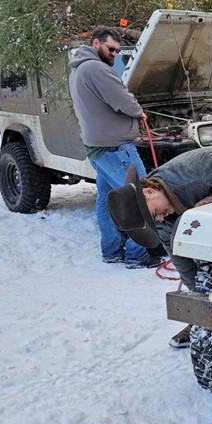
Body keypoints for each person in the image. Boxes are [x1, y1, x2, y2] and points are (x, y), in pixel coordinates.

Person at [106, 146, 212, 347]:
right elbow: (182, 262)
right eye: (154, 220)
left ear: (148, 191)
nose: (159, 218)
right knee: (210, 267)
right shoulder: (161, 222)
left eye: (155, 213)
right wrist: (200, 304)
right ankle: (204, 320)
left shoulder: (190, 173)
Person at [68, 26, 162, 269]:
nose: (113, 54)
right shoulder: (96, 69)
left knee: (105, 200)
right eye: (111, 49)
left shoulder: (78, 69)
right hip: (116, 148)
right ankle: (137, 255)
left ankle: (111, 251)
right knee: (140, 198)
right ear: (96, 43)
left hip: (98, 147)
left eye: (117, 51)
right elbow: (122, 99)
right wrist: (139, 111)